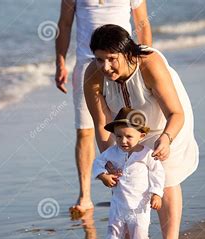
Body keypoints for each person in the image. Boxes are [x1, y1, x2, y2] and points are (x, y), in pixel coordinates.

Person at [84, 24, 199, 239]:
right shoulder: (93, 75)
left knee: (164, 177)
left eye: (112, 59)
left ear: (127, 53)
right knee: (127, 182)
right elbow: (102, 123)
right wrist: (110, 162)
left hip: (166, 122)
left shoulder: (150, 64)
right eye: (99, 59)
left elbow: (175, 112)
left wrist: (166, 139)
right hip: (125, 128)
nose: (105, 67)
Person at [55, 0, 152, 216]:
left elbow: (142, 23)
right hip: (87, 64)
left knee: (126, 128)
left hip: (122, 65)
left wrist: (144, 63)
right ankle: (85, 196)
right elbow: (64, 24)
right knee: (85, 130)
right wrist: (60, 61)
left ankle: (130, 185)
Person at [93, 108, 164, 239]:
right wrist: (103, 176)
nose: (123, 141)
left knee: (139, 238)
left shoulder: (147, 154)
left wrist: (156, 194)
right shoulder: (111, 153)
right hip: (118, 204)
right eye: (118, 136)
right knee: (113, 236)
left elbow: (157, 173)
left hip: (140, 207)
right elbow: (97, 163)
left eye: (128, 136)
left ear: (141, 135)